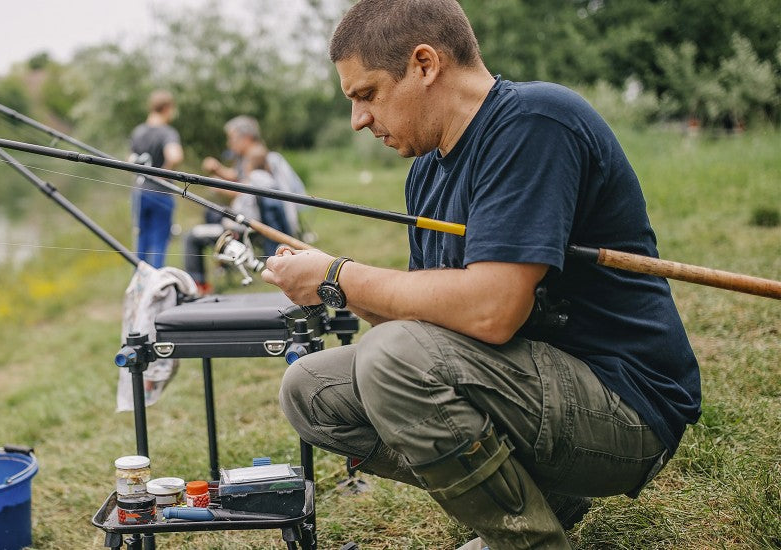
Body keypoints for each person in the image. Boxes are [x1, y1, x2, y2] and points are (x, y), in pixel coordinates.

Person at [262, 1, 701, 549]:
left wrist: (341, 274)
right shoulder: (427, 167)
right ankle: (539, 501)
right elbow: (433, 327)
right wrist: (332, 282)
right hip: (535, 390)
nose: (358, 119)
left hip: (627, 406)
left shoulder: (536, 122)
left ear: (424, 64)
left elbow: (491, 311)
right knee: (311, 389)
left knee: (394, 357)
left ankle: (529, 540)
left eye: (367, 94)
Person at [202, 116, 298, 256]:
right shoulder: (246, 157)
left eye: (232, 139)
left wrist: (220, 187)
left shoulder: (263, 158)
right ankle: (227, 255)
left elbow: (249, 190)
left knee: (213, 213)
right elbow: (236, 176)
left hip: (262, 221)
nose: (229, 144)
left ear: (246, 138)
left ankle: (229, 254)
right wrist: (217, 170)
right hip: (252, 214)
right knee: (212, 213)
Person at [183, 147, 272, 294]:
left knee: (192, 236)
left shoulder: (255, 180)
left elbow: (248, 215)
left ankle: (198, 285)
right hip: (241, 227)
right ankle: (216, 269)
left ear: (249, 164)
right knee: (211, 214)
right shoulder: (263, 179)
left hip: (238, 231)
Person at [129, 90, 184, 268]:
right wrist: (164, 172)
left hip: (139, 193)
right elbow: (175, 156)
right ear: (167, 108)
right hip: (161, 194)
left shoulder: (138, 131)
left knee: (141, 243)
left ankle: (140, 288)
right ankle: (157, 289)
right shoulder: (167, 132)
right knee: (158, 242)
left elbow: (129, 159)